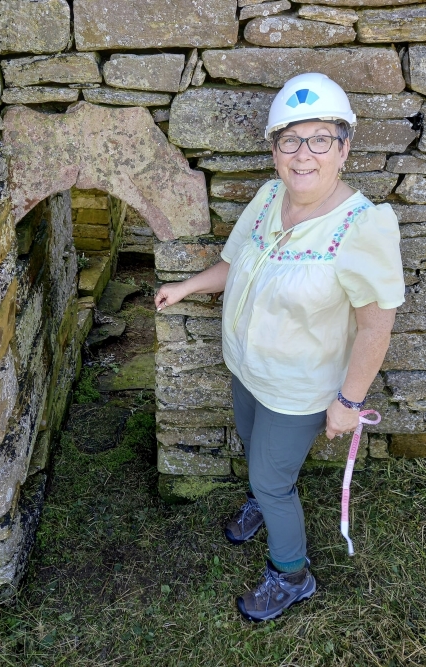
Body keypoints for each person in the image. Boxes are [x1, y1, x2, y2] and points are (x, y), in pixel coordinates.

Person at [154, 73, 405, 622]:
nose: (303, 154)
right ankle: (266, 502)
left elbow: (374, 327)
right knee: (250, 441)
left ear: (344, 147)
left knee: (270, 477)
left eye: (320, 139)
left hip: (299, 388)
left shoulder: (365, 226)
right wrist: (188, 286)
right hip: (247, 368)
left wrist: (348, 401)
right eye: (290, 140)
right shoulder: (271, 197)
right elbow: (237, 263)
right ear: (274, 150)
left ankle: (291, 574)